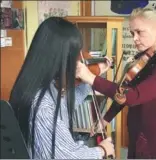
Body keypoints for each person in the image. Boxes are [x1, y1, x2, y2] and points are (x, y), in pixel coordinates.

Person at [76, 8, 156, 159]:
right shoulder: (145, 59)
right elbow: (125, 88)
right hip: (136, 135)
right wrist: (106, 118)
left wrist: (91, 78)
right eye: (132, 33)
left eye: (139, 32)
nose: (135, 39)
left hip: (153, 142)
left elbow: (130, 96)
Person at [9, 17, 115, 159]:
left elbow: (68, 102)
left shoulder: (35, 88)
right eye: (75, 54)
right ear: (60, 56)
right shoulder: (42, 105)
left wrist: (93, 76)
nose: (78, 60)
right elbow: (67, 155)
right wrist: (101, 149)